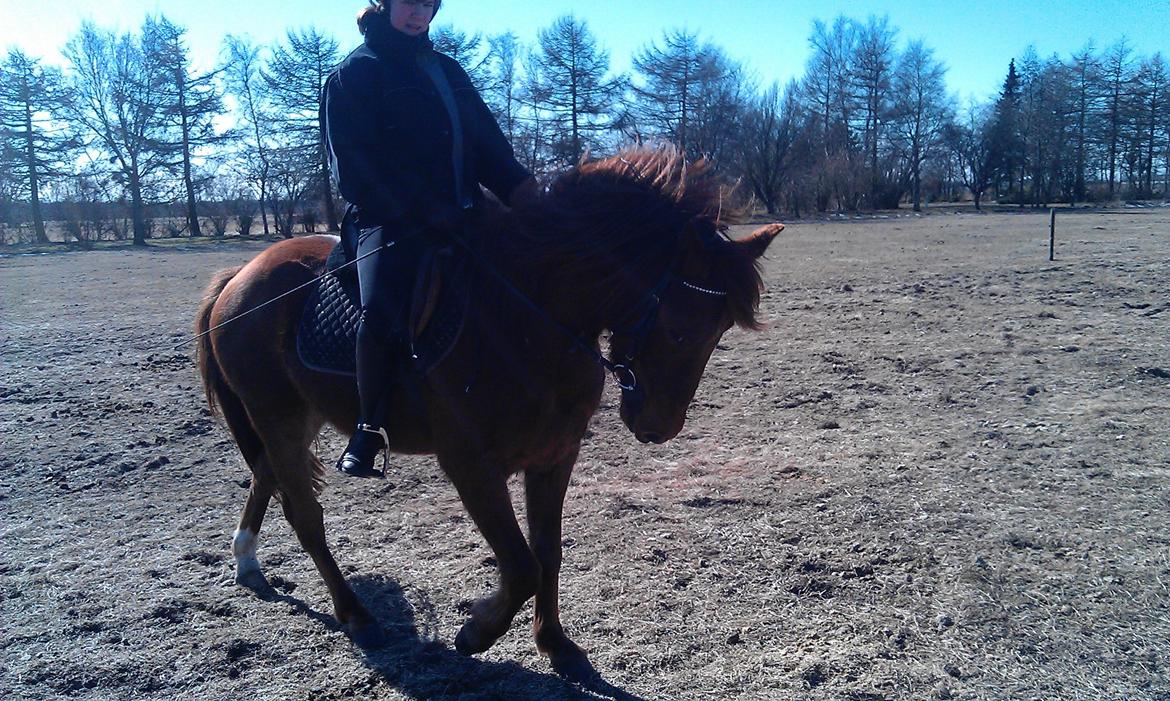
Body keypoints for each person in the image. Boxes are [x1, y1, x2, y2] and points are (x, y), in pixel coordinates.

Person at [322, 0, 537, 477]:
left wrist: (526, 193)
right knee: (381, 310)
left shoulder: (448, 70)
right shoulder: (354, 74)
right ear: (384, 4)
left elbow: (489, 148)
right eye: (409, 2)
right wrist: (424, 209)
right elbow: (354, 171)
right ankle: (369, 426)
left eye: (428, 3)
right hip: (389, 221)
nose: (419, 13)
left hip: (465, 215)